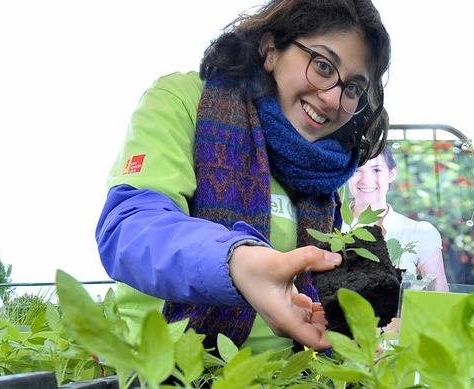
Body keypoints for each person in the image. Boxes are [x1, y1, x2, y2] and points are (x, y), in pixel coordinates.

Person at [95, 0, 391, 354]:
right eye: (323, 66)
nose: (332, 99)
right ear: (270, 50)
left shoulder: (327, 167)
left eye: (353, 88)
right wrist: (236, 261)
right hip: (173, 370)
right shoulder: (185, 101)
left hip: (298, 377)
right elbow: (129, 230)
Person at [345, 143, 450, 292]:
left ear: (392, 174)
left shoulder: (419, 232)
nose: (365, 180)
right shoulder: (331, 229)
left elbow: (440, 298)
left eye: (376, 170)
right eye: (357, 170)